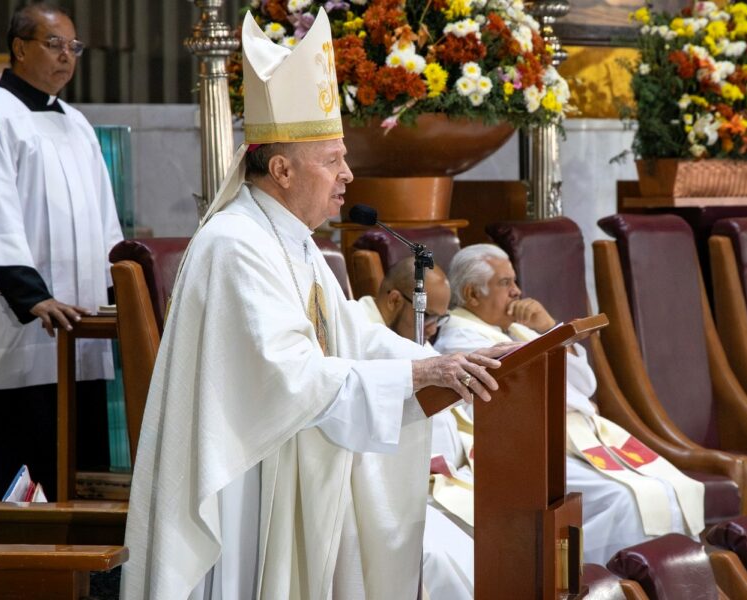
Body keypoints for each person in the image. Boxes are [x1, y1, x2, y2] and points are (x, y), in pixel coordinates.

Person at [121, 10, 503, 600]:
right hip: (250, 487)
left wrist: (452, 360)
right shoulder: (235, 245)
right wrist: (417, 373)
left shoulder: (294, 240)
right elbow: (289, 375)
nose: (348, 174)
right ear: (280, 168)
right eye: (332, 160)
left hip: (298, 468)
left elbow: (350, 335)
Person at [0, 2, 123, 500]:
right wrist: (33, 298)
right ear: (20, 47)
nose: (66, 56)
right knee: (23, 468)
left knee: (80, 471)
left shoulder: (78, 124)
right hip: (18, 330)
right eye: (53, 44)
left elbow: (106, 227)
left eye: (74, 46)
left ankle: (88, 571)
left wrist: (120, 301)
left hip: (82, 335)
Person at [435, 244, 708, 566]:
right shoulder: (460, 341)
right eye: (504, 283)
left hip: (573, 437)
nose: (517, 291)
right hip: (532, 446)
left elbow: (583, 384)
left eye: (514, 281)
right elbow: (497, 408)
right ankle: (610, 583)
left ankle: (665, 583)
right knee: (625, 499)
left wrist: (549, 327)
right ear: (471, 293)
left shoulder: (515, 329)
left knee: (671, 487)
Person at [357, 257, 475, 600]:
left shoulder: (411, 339)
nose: (435, 328)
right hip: (384, 486)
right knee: (440, 560)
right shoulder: (359, 329)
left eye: (441, 317)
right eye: (430, 316)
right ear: (394, 300)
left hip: (433, 477)